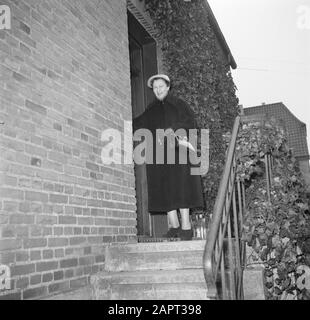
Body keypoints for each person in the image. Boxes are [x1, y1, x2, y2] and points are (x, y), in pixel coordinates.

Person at [133, 74, 204, 240]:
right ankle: (174, 226)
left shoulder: (179, 105)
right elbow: (139, 123)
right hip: (158, 155)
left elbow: (190, 122)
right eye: (155, 87)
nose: (158, 90)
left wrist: (175, 130)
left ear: (168, 87)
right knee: (164, 187)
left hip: (178, 153)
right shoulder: (152, 108)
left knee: (181, 187)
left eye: (161, 86)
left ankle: (186, 227)